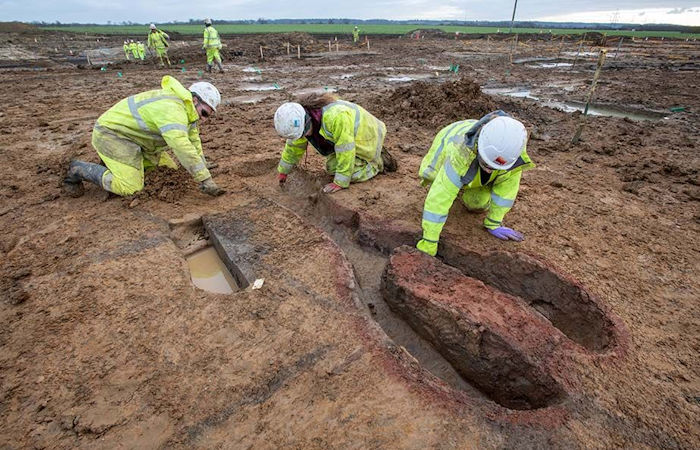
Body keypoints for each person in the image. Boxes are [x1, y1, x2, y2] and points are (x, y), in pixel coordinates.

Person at [63, 76, 224, 198]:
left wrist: (203, 163)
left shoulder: (189, 111)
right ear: (195, 100)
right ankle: (78, 169)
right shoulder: (173, 109)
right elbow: (181, 145)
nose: (203, 119)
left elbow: (193, 140)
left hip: (140, 142)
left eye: (207, 116)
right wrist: (205, 179)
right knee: (131, 187)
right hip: (113, 135)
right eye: (204, 113)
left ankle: (117, 165)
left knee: (169, 172)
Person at [416, 111, 534, 256]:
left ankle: (465, 183)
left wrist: (494, 222)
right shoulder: (460, 154)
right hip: (449, 138)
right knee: (431, 176)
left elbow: (506, 192)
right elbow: (439, 198)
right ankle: (452, 180)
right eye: (486, 164)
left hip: (482, 156)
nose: (490, 171)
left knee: (477, 203)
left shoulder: (512, 155)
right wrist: (429, 241)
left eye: (495, 168)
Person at [273, 94, 395, 193]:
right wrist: (283, 171)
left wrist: (340, 182)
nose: (303, 137)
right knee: (332, 167)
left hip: (368, 137)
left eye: (302, 134)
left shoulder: (336, 118)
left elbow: (345, 149)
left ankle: (378, 164)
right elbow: (293, 147)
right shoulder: (304, 118)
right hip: (351, 137)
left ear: (307, 121)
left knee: (352, 173)